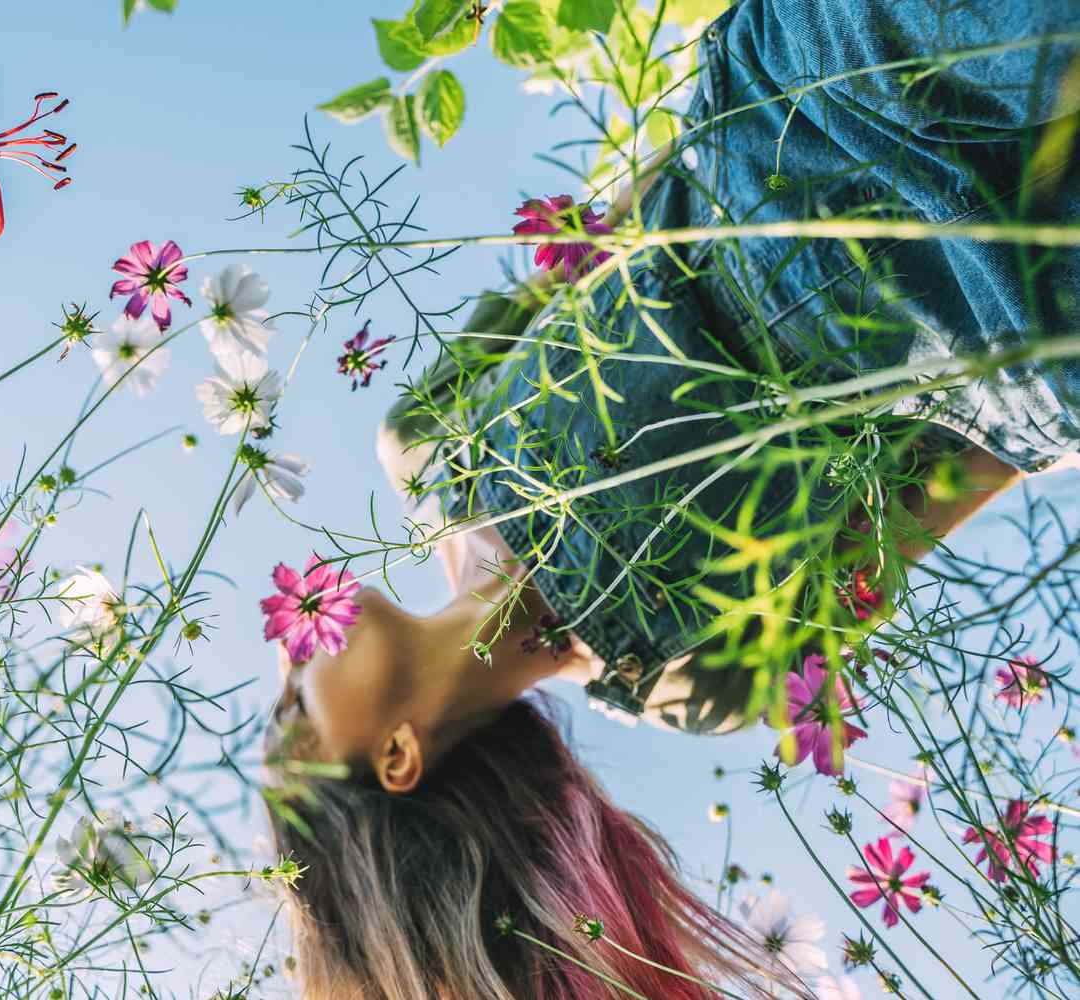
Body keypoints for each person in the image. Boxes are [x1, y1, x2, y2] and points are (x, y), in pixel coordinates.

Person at [264, 0, 1080, 997]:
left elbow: (612, 212)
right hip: (994, 282)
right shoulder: (693, 686)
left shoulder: (432, 444)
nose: (285, 651)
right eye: (295, 713)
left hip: (819, 86)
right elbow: (948, 476)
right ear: (396, 756)